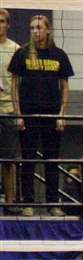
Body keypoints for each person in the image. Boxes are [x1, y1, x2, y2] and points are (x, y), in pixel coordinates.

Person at [7, 14, 73, 217]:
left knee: (52, 161)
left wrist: (62, 114)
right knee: (28, 160)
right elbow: (14, 85)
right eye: (32, 28)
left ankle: (53, 204)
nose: (35, 31)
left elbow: (64, 86)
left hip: (52, 116)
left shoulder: (59, 55)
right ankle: (29, 204)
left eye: (39, 27)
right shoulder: (22, 53)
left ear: (48, 29)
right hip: (28, 115)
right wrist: (18, 114)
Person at [0, 10, 19, 212]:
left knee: (9, 159)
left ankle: (10, 202)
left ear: (8, 24)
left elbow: (18, 83)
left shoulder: (15, 49)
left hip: (7, 109)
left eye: (2, 22)